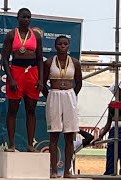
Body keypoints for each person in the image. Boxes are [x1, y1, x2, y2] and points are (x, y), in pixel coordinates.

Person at [2, 8, 43, 152]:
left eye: (28, 17)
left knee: (31, 109)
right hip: (16, 71)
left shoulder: (36, 36)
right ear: (18, 18)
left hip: (32, 72)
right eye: (23, 17)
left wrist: (41, 79)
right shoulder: (11, 35)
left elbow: (39, 59)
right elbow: (5, 59)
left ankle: (30, 144)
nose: (26, 19)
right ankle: (12, 144)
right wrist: (11, 78)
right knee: (12, 109)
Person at [42, 35, 82, 178]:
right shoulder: (49, 62)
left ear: (69, 46)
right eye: (60, 44)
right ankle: (53, 170)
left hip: (69, 96)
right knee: (54, 134)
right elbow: (42, 83)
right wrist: (51, 95)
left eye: (65, 44)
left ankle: (67, 171)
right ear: (55, 46)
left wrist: (70, 95)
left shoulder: (75, 63)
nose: (62, 46)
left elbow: (79, 83)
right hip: (54, 94)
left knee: (69, 135)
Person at [93, 80, 121, 175]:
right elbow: (108, 122)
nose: (114, 92)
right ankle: (110, 173)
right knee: (111, 154)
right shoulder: (112, 105)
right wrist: (100, 136)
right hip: (114, 130)